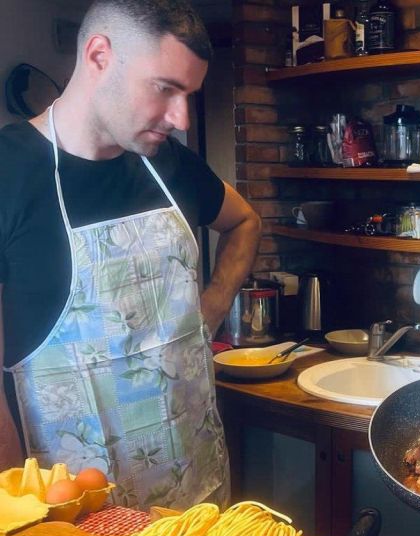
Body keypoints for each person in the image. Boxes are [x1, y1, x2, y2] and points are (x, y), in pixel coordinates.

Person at [0, 0, 261, 510]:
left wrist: (210, 308)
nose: (181, 116)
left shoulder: (167, 164)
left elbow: (245, 222)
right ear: (99, 54)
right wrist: (14, 507)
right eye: (165, 88)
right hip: (74, 509)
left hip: (196, 487)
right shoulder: (10, 175)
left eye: (188, 94)